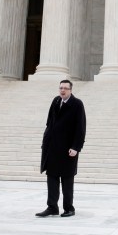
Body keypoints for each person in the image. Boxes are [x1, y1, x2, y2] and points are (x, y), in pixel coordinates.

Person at [36, 80, 86, 218]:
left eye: (65, 88)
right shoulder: (56, 101)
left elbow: (80, 128)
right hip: (52, 147)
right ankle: (52, 207)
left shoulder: (77, 104)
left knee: (67, 180)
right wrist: (45, 140)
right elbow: (49, 122)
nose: (62, 90)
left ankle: (69, 208)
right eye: (60, 88)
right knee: (51, 178)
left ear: (71, 90)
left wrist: (76, 147)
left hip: (67, 149)